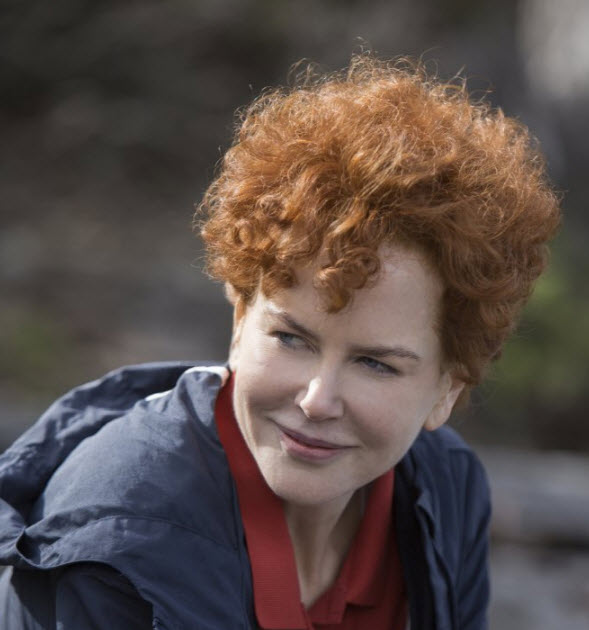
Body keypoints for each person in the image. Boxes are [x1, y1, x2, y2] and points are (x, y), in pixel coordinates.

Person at [0, 55, 560, 629]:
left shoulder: (444, 490)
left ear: (447, 390)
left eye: (375, 364)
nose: (317, 400)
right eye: (292, 338)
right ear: (240, 316)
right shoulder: (117, 548)